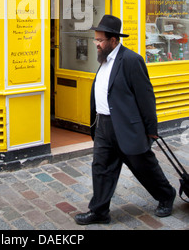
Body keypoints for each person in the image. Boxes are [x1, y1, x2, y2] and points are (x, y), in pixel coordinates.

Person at [74, 15, 176, 226]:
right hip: (104, 126)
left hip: (128, 127)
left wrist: (151, 129)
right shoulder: (103, 60)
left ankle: (166, 195)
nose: (97, 44)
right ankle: (99, 211)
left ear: (114, 40)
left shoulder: (131, 60)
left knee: (144, 167)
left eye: (100, 40)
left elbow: (146, 97)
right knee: (101, 168)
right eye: (96, 40)